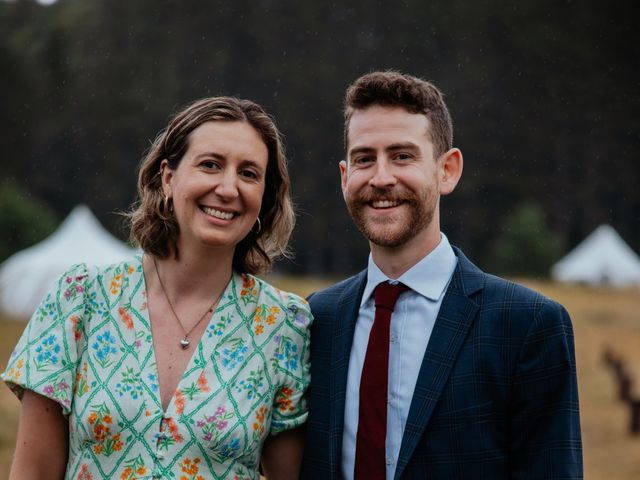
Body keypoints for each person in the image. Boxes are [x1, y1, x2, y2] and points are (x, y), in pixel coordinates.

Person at [2, 96, 312, 480]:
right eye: (210, 164)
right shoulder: (81, 297)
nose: (228, 188)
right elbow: (33, 473)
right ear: (168, 178)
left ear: (264, 196)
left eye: (249, 173)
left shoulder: (284, 325)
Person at [301, 71, 582, 479]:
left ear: (447, 170)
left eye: (402, 156)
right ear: (346, 178)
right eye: (365, 159)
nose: (381, 178)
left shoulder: (527, 325)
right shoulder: (317, 319)